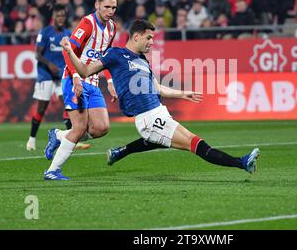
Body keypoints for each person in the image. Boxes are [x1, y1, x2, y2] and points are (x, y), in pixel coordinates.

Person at [57, 19, 260, 180]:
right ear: (136, 37)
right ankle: (242, 163)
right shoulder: (115, 55)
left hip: (159, 112)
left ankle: (120, 152)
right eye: (149, 38)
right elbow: (84, 71)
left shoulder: (142, 61)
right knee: (196, 144)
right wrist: (69, 52)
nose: (152, 42)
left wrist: (182, 94)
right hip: (147, 119)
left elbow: (156, 87)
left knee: (178, 141)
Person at [43, 0, 120, 178]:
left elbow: (104, 58)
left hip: (93, 83)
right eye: (107, 7)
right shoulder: (87, 23)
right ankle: (53, 171)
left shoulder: (112, 28)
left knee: (101, 128)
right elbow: (67, 51)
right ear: (97, 5)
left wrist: (109, 80)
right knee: (78, 128)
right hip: (73, 79)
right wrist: (76, 77)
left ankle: (59, 135)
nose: (110, 11)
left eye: (114, 7)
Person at [26, 4, 75, 151]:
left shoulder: (67, 33)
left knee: (68, 106)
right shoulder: (45, 32)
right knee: (41, 108)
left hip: (61, 77)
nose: (61, 19)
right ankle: (31, 140)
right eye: (58, 16)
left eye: (63, 16)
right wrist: (50, 65)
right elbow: (37, 54)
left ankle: (73, 140)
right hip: (46, 75)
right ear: (53, 17)